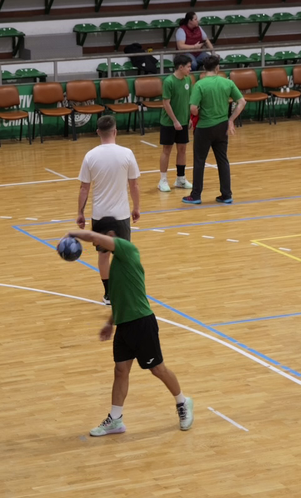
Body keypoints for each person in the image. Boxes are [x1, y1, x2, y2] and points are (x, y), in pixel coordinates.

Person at [63, 229, 194, 434]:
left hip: (142, 322)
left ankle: (183, 402)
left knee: (157, 369)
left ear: (113, 233)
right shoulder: (116, 265)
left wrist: (73, 233)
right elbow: (121, 298)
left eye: (103, 234)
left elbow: (95, 238)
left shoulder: (127, 249)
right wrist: (110, 323)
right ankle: (116, 419)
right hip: (124, 325)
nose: (96, 243)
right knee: (120, 371)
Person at [77, 115, 140, 305]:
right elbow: (134, 185)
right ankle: (126, 290)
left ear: (98, 132)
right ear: (115, 131)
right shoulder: (127, 153)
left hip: (100, 215)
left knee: (103, 255)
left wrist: (80, 213)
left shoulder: (90, 156)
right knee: (124, 255)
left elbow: (84, 188)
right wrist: (136, 207)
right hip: (121, 215)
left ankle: (108, 294)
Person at [183, 55, 246, 206]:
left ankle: (196, 195)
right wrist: (231, 120)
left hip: (204, 127)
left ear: (204, 68)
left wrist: (196, 115)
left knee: (199, 161)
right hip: (222, 126)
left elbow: (193, 108)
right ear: (218, 68)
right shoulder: (227, 82)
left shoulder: (199, 85)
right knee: (222, 160)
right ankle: (226, 194)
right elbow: (242, 102)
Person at [158, 54, 193, 193]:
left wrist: (189, 118)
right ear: (180, 67)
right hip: (169, 122)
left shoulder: (188, 80)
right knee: (167, 150)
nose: (190, 69)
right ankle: (163, 180)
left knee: (182, 149)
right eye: (188, 67)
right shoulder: (168, 82)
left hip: (183, 121)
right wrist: (175, 121)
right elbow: (166, 103)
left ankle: (181, 179)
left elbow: (188, 100)